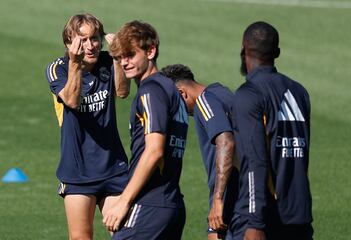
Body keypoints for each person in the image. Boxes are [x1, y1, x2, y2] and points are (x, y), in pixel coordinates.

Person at [45, 13, 130, 239]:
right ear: (68, 43)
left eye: (94, 38)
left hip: (114, 168)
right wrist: (75, 63)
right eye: (82, 39)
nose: (90, 45)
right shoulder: (58, 68)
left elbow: (122, 92)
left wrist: (117, 57)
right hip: (78, 172)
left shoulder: (106, 62)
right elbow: (72, 100)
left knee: (127, 234)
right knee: (81, 236)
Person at [102, 21, 189, 240]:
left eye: (130, 54)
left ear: (151, 51)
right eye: (121, 57)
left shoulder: (151, 91)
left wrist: (123, 202)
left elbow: (154, 151)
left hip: (150, 204)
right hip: (171, 202)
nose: (124, 62)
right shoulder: (170, 88)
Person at [229, 21, 313, 240]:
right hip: (299, 215)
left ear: (243, 49)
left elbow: (254, 160)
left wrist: (255, 221)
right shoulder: (299, 92)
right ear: (277, 52)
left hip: (265, 218)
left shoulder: (248, 95)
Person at [160, 64, 239, 240]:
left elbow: (226, 142)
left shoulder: (205, 101)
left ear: (181, 93)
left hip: (230, 197)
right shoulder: (223, 93)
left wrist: (218, 200)